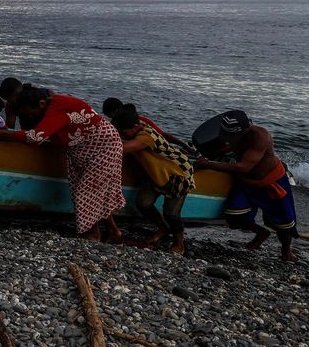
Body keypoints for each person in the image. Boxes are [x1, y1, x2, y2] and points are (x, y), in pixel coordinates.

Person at [0, 85, 125, 241]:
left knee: (87, 189)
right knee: (86, 189)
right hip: (80, 149)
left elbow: (34, 137)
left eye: (32, 113)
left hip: (102, 146)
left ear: (41, 104)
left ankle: (92, 233)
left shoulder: (57, 106)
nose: (32, 116)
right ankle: (114, 231)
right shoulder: (48, 105)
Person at [194, 110, 299, 262]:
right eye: (226, 134)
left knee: (282, 222)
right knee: (235, 215)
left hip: (270, 181)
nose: (228, 139)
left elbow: (244, 167)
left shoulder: (260, 137)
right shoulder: (227, 131)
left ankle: (286, 251)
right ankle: (261, 233)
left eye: (233, 137)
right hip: (246, 182)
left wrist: (209, 164)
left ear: (247, 128)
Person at [111, 104, 195, 255]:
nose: (120, 134)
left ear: (135, 127)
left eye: (122, 132)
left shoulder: (146, 136)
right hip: (155, 173)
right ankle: (162, 228)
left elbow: (121, 149)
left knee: (171, 213)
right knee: (143, 203)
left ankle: (179, 243)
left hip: (177, 173)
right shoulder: (137, 126)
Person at [102, 97, 196, 155]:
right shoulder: (139, 121)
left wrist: (185, 147)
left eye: (109, 116)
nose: (110, 119)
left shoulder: (139, 126)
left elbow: (163, 136)